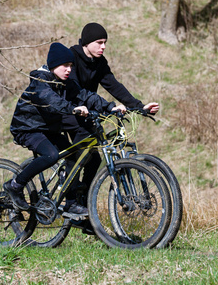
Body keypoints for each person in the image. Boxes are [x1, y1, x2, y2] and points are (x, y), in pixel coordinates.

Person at [3, 42, 119, 218]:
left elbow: (87, 96)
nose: (68, 70)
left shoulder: (65, 83)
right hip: (27, 128)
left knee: (74, 156)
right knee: (51, 155)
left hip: (48, 130)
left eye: (71, 66)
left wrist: (110, 107)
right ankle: (15, 185)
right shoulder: (40, 82)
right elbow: (52, 102)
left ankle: (71, 203)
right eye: (65, 65)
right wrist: (73, 109)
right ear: (53, 65)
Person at [62, 22, 160, 201]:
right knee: (79, 154)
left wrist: (139, 107)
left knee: (95, 161)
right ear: (86, 43)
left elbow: (113, 85)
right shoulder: (72, 57)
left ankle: (84, 202)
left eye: (105, 42)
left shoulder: (99, 62)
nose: (103, 47)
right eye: (99, 42)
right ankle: (69, 200)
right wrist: (107, 106)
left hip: (89, 112)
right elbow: (76, 91)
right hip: (67, 111)